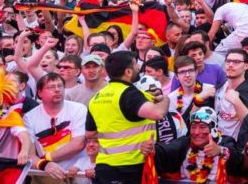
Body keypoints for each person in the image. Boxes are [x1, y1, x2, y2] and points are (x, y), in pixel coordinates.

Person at [86, 51, 170, 183]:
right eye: (135, 65)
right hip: (131, 167)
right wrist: (165, 99)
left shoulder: (96, 97)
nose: (138, 68)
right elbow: (157, 113)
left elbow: (90, 133)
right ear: (128, 72)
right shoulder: (130, 94)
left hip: (104, 167)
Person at [24, 72, 91, 183]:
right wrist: (45, 165)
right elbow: (29, 154)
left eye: (60, 86)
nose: (57, 89)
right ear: (40, 93)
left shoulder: (79, 109)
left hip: (78, 175)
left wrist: (46, 159)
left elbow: (78, 144)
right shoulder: (30, 117)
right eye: (51, 87)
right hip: (49, 177)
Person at [153, 107, 236, 182]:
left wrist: (221, 150)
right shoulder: (185, 142)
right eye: (193, 127)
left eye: (202, 127)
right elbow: (165, 151)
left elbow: (240, 161)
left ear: (213, 128)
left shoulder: (226, 141)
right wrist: (152, 149)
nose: (196, 132)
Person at [213, 49, 248, 138]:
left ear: (246, 66)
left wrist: (236, 102)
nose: (230, 65)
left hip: (238, 145)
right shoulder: (219, 88)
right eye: (228, 61)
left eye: (236, 62)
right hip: (217, 141)